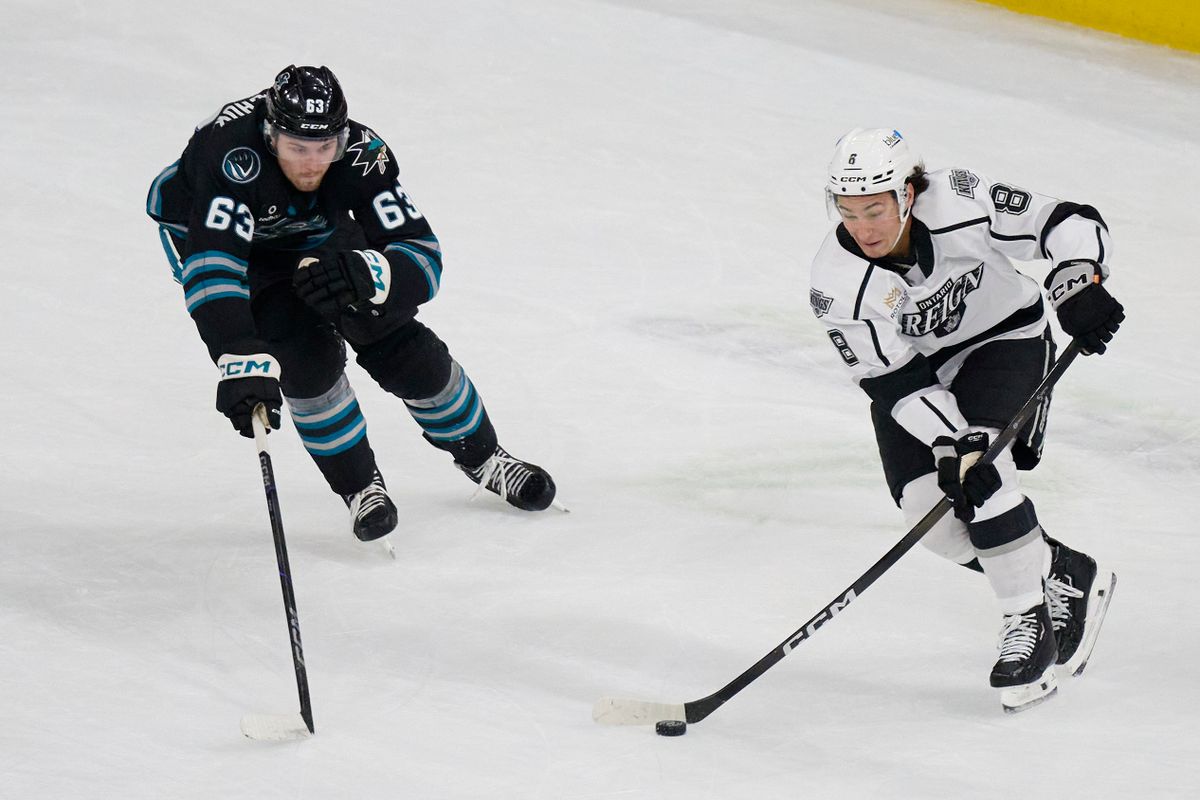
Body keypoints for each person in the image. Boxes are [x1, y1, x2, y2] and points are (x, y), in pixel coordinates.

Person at [146, 65, 558, 543]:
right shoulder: (229, 155)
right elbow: (214, 267)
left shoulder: (363, 154)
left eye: (326, 148)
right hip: (232, 245)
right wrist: (238, 351)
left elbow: (422, 254)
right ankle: (361, 488)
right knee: (303, 362)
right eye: (297, 148)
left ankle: (486, 458)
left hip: (314, 230)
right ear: (269, 134)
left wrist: (375, 274)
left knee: (399, 343)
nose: (312, 163)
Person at [808, 128, 1123, 712]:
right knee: (932, 518)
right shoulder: (836, 285)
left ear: (907, 193)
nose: (864, 228)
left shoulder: (957, 199)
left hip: (1004, 340)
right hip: (923, 380)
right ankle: (1061, 569)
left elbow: (1063, 220)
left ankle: (1026, 627)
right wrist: (952, 441)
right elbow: (893, 381)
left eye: (875, 209)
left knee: (989, 480)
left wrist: (1078, 277)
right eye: (848, 213)